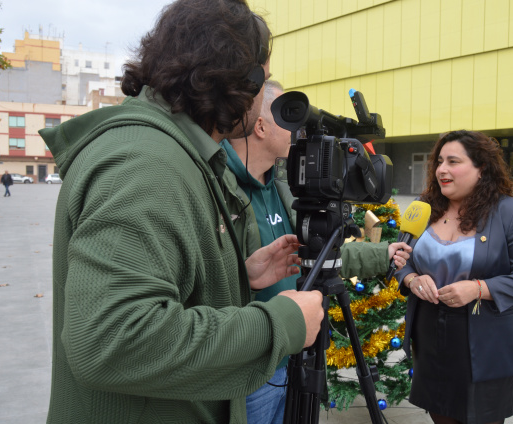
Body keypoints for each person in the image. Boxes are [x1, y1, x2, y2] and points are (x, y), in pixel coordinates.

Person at [38, 1, 325, 423]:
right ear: (242, 81)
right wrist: (282, 324)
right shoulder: (146, 164)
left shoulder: (173, 153)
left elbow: (161, 285)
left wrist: (235, 277)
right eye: (263, 80)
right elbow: (110, 340)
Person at [224, 80, 412, 424]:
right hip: (250, 371)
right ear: (261, 126)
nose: (299, 132)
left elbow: (318, 253)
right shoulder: (219, 189)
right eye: (289, 119)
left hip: (293, 355)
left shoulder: (285, 186)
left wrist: (381, 253)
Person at [396, 130, 513, 424]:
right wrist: (411, 278)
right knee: (441, 415)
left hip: (487, 341)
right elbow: (400, 258)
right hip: (430, 336)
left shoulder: (511, 212)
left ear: (482, 168)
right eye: (439, 161)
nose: (442, 169)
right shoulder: (425, 206)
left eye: (453, 161)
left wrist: (478, 288)